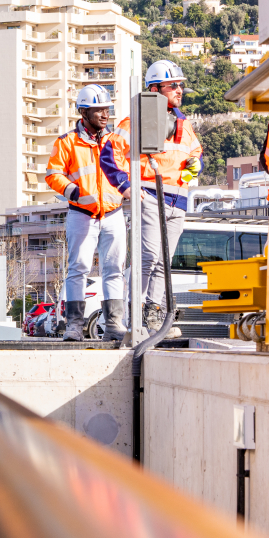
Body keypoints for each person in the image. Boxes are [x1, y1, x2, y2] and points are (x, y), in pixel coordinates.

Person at [101, 60, 203, 336]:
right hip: (150, 194)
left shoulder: (183, 122)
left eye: (181, 85)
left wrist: (197, 164)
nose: (180, 90)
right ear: (155, 89)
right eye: (173, 85)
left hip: (178, 199)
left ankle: (154, 317)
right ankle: (135, 314)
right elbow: (109, 155)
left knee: (163, 262)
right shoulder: (136, 119)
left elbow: (196, 152)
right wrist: (125, 186)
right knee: (147, 257)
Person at [45, 85, 127, 342]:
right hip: (82, 214)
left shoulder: (116, 141)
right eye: (98, 110)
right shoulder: (67, 142)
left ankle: (114, 325)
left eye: (106, 109)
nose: (105, 114)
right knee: (78, 269)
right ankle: (74, 326)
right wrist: (72, 191)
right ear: (83, 112)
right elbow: (53, 174)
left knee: (114, 270)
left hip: (113, 214)